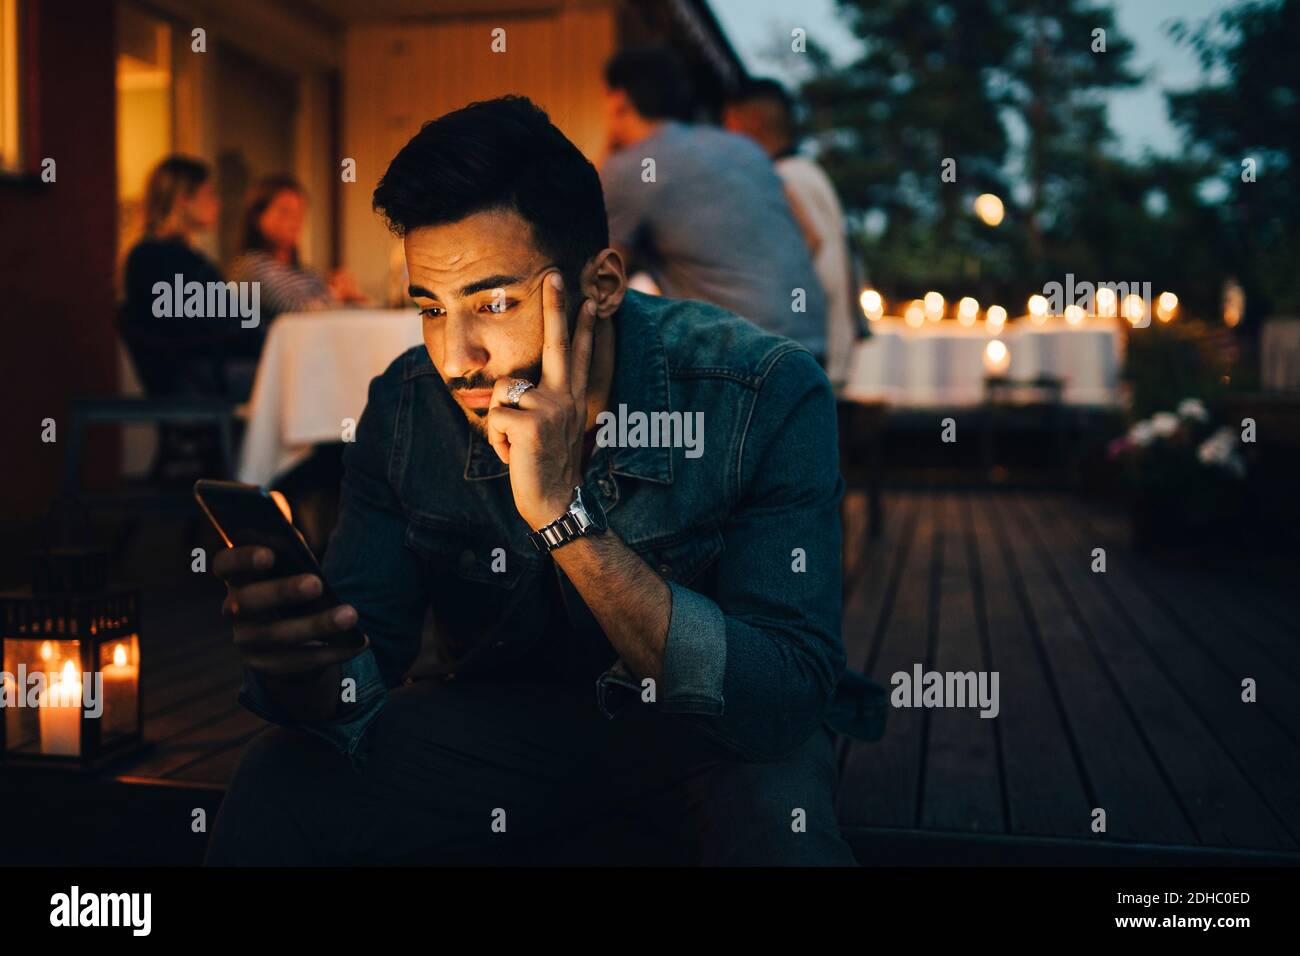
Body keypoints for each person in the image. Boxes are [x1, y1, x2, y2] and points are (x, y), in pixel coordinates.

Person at [203, 95, 883, 867]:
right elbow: (366, 676)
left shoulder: (759, 393)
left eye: (493, 302)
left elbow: (781, 701)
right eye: (430, 307)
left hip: (714, 740)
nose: (457, 356)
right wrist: (302, 666)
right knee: (277, 779)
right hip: (506, 728)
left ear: (601, 284)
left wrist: (566, 516)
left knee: (776, 827)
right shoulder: (405, 409)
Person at [600, 48, 829, 361]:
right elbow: (813, 238)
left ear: (618, 100)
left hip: (747, 352)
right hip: (812, 343)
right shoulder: (744, 148)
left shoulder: (630, 167)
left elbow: (599, 281)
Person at [724, 78, 862, 388]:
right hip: (825, 348)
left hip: (805, 352)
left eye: (729, 124)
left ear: (752, 123)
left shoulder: (780, 177)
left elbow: (808, 243)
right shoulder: (807, 171)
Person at [121, 155, 260, 398]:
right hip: (197, 375)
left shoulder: (181, 256)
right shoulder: (155, 258)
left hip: (208, 366)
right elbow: (197, 325)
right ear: (184, 200)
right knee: (306, 382)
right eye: (209, 194)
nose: (218, 203)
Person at [228, 174, 366, 323]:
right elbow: (295, 312)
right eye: (285, 212)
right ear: (258, 216)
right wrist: (335, 294)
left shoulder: (305, 273)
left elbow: (336, 314)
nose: (295, 221)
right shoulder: (251, 266)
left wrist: (353, 297)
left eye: (300, 212)